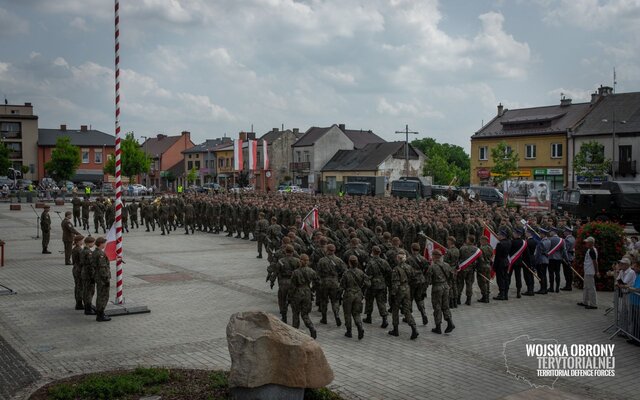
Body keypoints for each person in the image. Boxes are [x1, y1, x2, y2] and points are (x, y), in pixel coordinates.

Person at [388, 250, 419, 340]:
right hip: (407, 289)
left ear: (398, 259)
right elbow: (414, 278)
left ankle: (395, 330)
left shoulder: (396, 269)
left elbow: (395, 283)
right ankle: (414, 328)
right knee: (407, 310)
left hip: (399, 290)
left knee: (395, 309)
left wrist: (393, 294)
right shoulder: (409, 267)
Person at [340, 255, 370, 340]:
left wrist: (339, 295)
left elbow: (342, 286)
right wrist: (362, 289)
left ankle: (349, 332)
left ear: (349, 263)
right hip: (358, 294)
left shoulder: (346, 273)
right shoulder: (361, 272)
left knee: (347, 314)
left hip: (348, 294)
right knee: (356, 313)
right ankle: (360, 327)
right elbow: (368, 283)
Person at [425, 249, 454, 334]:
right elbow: (451, 277)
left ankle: (438, 327)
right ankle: (450, 323)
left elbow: (428, 281)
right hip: (446, 287)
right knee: (445, 306)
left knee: (437, 307)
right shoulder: (447, 265)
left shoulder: (432, 267)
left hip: (437, 288)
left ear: (434, 256)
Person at [267, 244, 298, 323]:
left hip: (283, 282)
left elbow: (276, 272)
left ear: (285, 252)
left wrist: (272, 281)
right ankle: (295, 321)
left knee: (282, 300)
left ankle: (284, 317)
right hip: (293, 283)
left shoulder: (281, 261)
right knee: (294, 301)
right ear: (293, 252)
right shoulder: (297, 261)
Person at [290, 254, 318, 339]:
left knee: (295, 314)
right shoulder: (312, 271)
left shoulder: (295, 272)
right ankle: (311, 328)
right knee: (305, 314)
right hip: (307, 293)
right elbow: (317, 282)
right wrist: (312, 290)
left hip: (297, 293)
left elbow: (292, 286)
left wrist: (290, 296)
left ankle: (295, 332)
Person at [317, 244, 345, 327]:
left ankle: (324, 318)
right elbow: (344, 271)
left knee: (324, 301)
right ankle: (336, 314)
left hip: (324, 282)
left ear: (327, 250)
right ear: (334, 250)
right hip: (334, 282)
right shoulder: (339, 260)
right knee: (335, 300)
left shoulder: (322, 260)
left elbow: (318, 273)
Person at [363, 246, 391, 328]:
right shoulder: (384, 262)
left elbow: (367, 274)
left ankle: (368, 317)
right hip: (382, 284)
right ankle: (384, 319)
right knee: (381, 302)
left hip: (372, 285)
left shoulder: (370, 262)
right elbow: (389, 272)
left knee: (369, 301)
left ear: (372, 252)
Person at [92, 237, 112, 322]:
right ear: (100, 244)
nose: (105, 244)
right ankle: (100, 314)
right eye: (104, 243)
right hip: (102, 278)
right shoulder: (100, 254)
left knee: (100, 295)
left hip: (98, 276)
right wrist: (106, 279)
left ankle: (100, 313)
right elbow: (102, 268)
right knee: (103, 296)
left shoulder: (95, 252)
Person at [577, 236, 598, 309]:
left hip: (590, 272)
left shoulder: (592, 250)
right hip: (587, 271)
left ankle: (593, 304)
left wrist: (596, 271)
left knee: (591, 288)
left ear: (591, 243)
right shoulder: (589, 250)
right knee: (586, 287)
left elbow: (595, 262)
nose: (586, 243)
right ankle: (585, 301)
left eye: (587, 242)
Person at [493, 229, 511, 300]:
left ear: (502, 236)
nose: (498, 236)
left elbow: (497, 256)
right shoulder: (509, 242)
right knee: (505, 278)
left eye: (499, 235)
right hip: (506, 261)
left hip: (500, 263)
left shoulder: (500, 244)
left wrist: (494, 266)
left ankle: (501, 294)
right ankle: (505, 294)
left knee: (500, 279)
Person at [81, 236, 97, 316]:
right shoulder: (88, 252)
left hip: (84, 272)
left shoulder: (84, 250)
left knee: (86, 290)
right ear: (89, 243)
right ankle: (88, 308)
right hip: (88, 274)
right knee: (89, 291)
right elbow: (91, 264)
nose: (94, 244)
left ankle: (88, 306)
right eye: (93, 242)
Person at [71, 234, 85, 310]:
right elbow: (82, 260)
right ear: (79, 241)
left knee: (77, 286)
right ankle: (79, 304)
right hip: (79, 269)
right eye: (82, 240)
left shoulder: (75, 248)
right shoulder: (79, 250)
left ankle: (78, 302)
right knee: (80, 286)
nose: (83, 241)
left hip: (75, 268)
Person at [561, 226, 576, 291]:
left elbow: (565, 250)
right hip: (572, 256)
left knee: (567, 272)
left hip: (568, 257)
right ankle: (569, 284)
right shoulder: (573, 238)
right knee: (570, 272)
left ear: (568, 232)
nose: (564, 232)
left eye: (565, 231)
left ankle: (568, 285)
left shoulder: (567, 240)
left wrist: (566, 259)